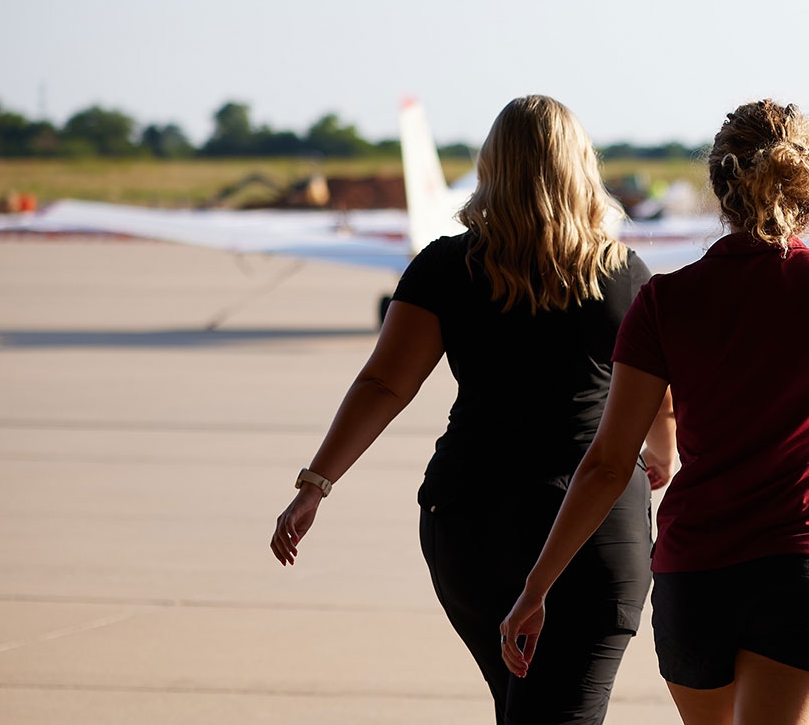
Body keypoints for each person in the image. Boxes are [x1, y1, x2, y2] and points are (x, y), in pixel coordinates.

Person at [499, 99, 809, 725]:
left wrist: (535, 589)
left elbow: (607, 463)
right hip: (807, 562)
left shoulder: (664, 301)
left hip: (696, 575)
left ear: (720, 187)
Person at [268, 95, 672, 725]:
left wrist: (316, 484)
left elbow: (384, 384)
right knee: (558, 710)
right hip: (588, 528)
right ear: (580, 168)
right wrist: (662, 451)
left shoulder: (445, 268)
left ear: (491, 168)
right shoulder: (621, 275)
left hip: (472, 524)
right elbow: (660, 392)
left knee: (522, 704)